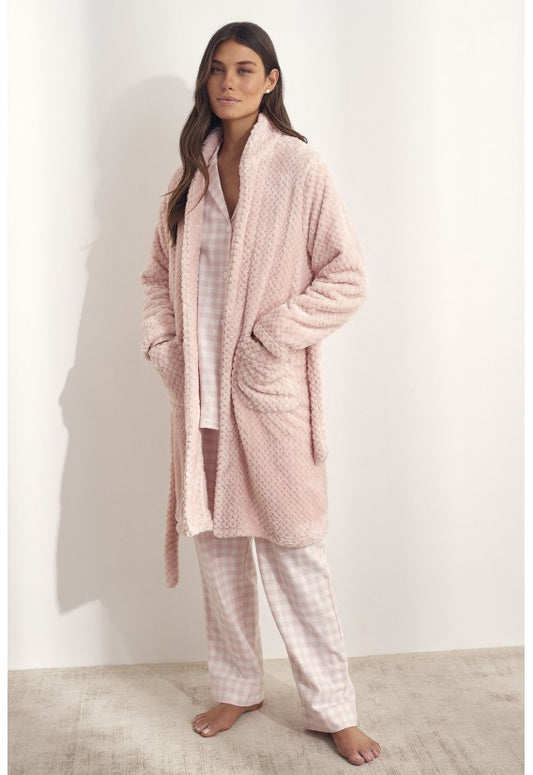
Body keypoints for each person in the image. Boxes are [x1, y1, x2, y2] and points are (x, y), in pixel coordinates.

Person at [141, 21, 381, 767]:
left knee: (294, 552)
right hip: (200, 399)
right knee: (218, 554)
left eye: (245, 69)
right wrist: (166, 352)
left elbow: (346, 276)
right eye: (217, 69)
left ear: (270, 81)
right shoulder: (189, 176)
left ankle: (332, 708)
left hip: (266, 393)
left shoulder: (300, 168)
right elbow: (155, 279)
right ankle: (238, 685)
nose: (228, 82)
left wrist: (270, 337)